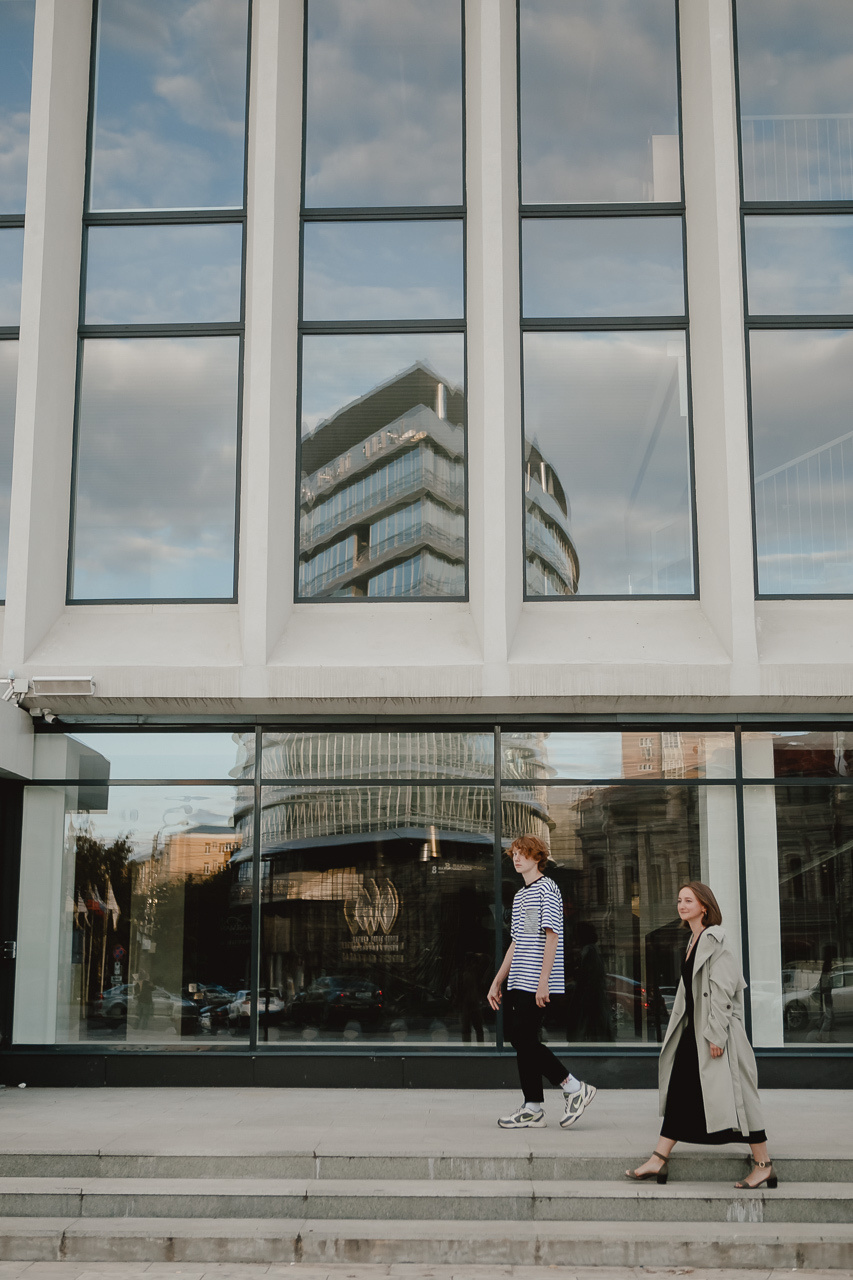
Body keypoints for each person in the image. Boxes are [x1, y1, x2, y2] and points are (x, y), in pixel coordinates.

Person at [626, 882, 774, 1189]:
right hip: (693, 1034)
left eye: (688, 900)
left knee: (740, 1098)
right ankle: (658, 1158)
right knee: (681, 1091)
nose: (681, 905)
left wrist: (716, 1035)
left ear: (704, 906)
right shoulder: (694, 939)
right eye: (679, 900)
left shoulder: (714, 939)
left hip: (715, 1035)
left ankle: (763, 1165)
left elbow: (723, 990)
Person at [487, 835, 597, 1130]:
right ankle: (533, 1106)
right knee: (521, 1040)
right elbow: (516, 943)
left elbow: (552, 935)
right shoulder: (522, 895)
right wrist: (497, 981)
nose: (517, 858)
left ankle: (573, 1087)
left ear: (538, 857)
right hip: (519, 979)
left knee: (524, 1039)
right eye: (514, 854)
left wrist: (544, 981)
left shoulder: (548, 889)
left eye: (523, 853)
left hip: (536, 980)